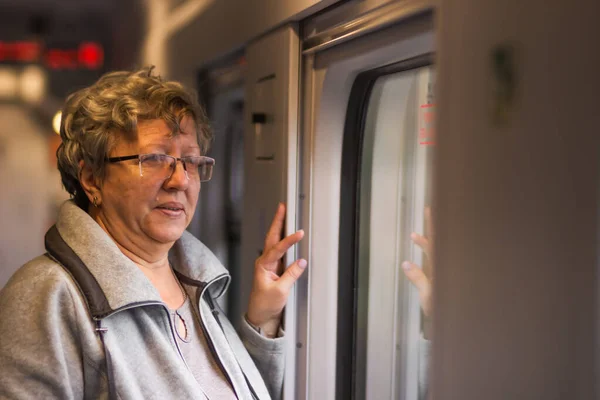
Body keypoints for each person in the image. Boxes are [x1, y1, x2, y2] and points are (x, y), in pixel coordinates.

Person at [0, 67, 307, 400]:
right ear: (92, 179)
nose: (180, 180)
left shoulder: (196, 283)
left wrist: (263, 320)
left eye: (190, 161)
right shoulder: (47, 295)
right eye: (156, 159)